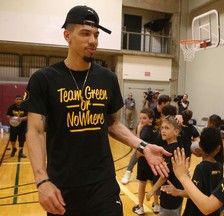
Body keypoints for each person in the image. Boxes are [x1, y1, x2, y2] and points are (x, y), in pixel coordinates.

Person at [22, 5, 171, 216]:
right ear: (67, 35)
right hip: (62, 188)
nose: (93, 40)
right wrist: (42, 180)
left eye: (96, 34)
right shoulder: (44, 79)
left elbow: (112, 123)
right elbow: (35, 131)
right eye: (85, 33)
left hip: (103, 185)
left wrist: (143, 145)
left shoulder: (108, 78)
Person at [161, 127, 223, 216]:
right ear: (218, 148)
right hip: (212, 211)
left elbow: (193, 193)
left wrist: (177, 192)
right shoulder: (220, 166)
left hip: (196, 212)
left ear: (200, 146)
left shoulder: (201, 168)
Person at [147, 115, 183, 216]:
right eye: (162, 128)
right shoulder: (176, 146)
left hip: (171, 195)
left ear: (176, 132)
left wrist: (152, 190)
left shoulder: (171, 150)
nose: (163, 130)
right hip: (174, 193)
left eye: (167, 128)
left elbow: (164, 174)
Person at [132, 108, 159, 215]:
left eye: (144, 118)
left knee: (142, 183)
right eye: (140, 118)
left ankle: (140, 207)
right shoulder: (156, 130)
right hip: (154, 162)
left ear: (151, 119)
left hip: (144, 161)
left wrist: (138, 131)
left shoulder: (144, 131)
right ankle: (156, 205)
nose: (141, 120)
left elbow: (138, 150)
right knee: (154, 183)